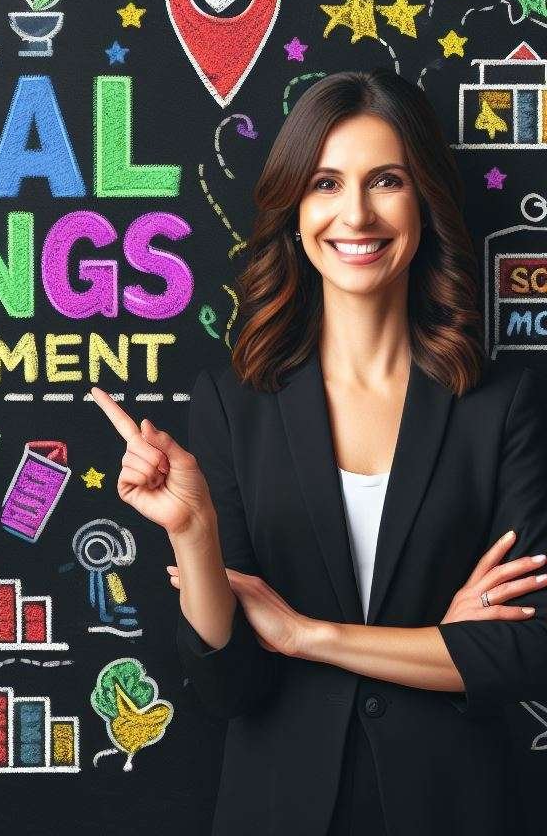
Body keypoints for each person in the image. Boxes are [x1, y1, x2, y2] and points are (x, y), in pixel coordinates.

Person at [91, 69, 547, 835]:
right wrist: (193, 532)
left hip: (455, 807)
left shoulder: (501, 405)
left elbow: (525, 647)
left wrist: (310, 636)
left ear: (423, 204)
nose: (356, 213)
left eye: (387, 181)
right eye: (327, 182)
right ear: (296, 210)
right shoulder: (233, 404)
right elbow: (226, 685)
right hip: (278, 810)